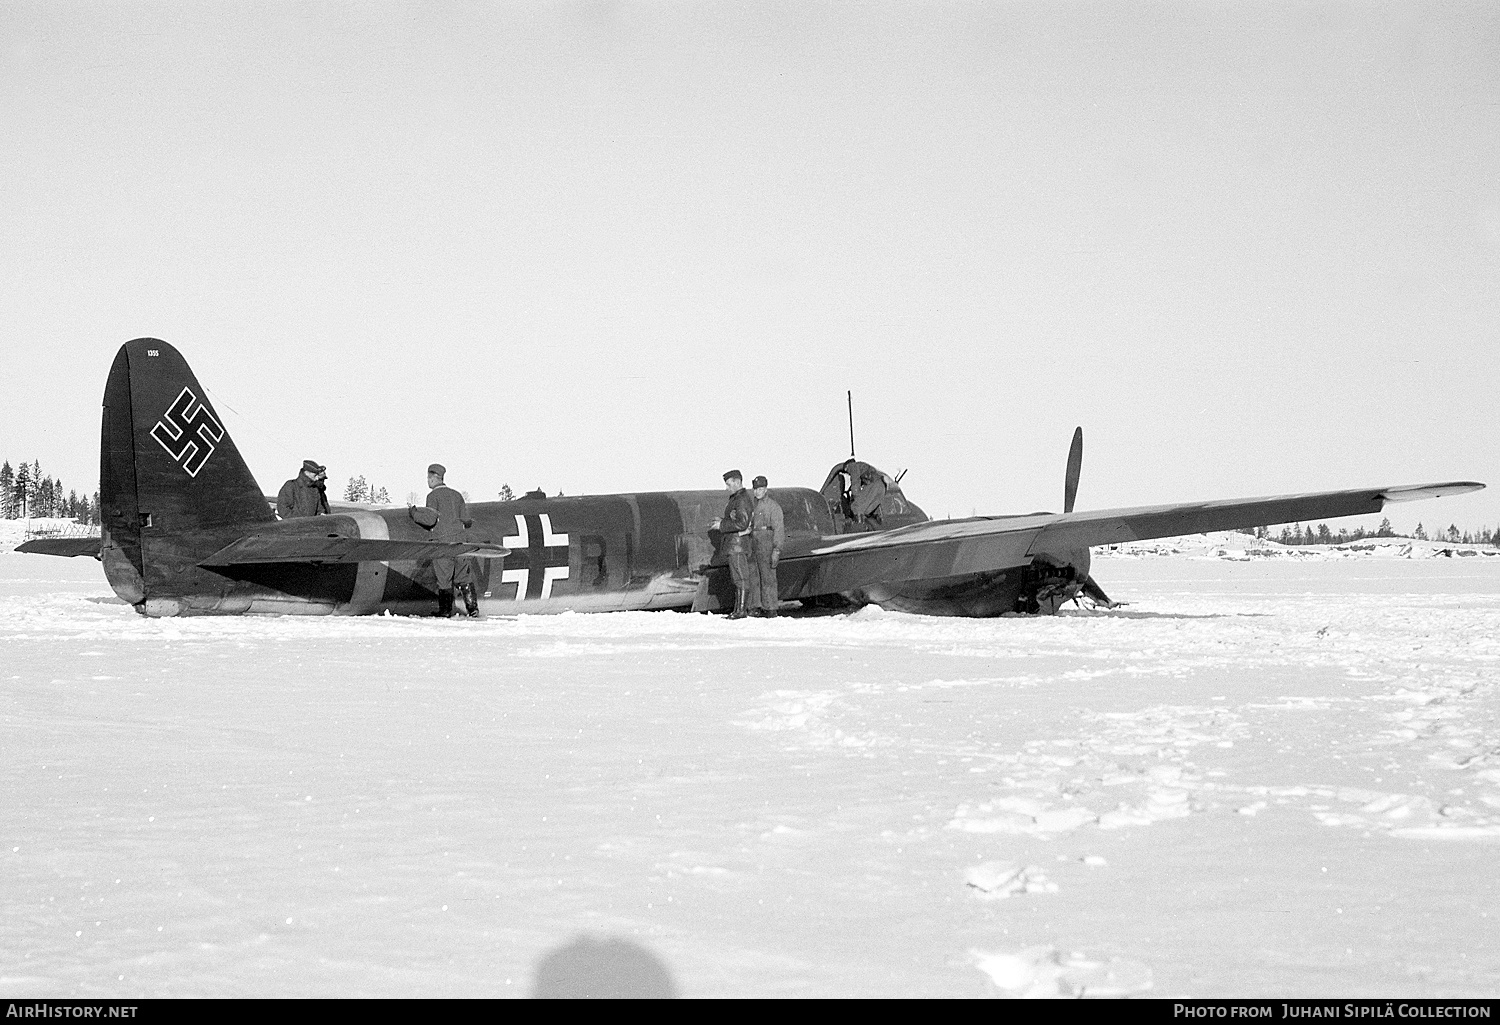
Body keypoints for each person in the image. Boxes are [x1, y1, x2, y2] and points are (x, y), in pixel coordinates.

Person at [424, 463, 477, 617]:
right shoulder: (457, 495)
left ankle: (446, 611)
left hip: (443, 543)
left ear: (434, 478)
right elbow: (466, 519)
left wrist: (414, 514)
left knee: (444, 579)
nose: (428, 481)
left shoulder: (432, 496)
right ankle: (473, 609)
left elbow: (429, 519)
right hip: (460, 543)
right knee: (463, 577)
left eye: (428, 478)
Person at [710, 469, 755, 619]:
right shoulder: (737, 498)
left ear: (737, 482)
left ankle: (741, 611)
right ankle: (738, 610)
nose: (727, 488)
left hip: (737, 545)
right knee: (737, 577)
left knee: (740, 577)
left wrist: (721, 525)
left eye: (729, 484)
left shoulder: (741, 499)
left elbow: (742, 523)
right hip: (735, 544)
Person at [747, 475, 785, 617]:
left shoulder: (773, 507)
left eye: (761, 489)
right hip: (753, 542)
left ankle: (770, 608)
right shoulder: (751, 506)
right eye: (756, 489)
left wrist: (776, 549)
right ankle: (755, 606)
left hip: (766, 542)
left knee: (768, 577)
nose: (758, 492)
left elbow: (779, 529)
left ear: (766, 489)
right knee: (753, 576)